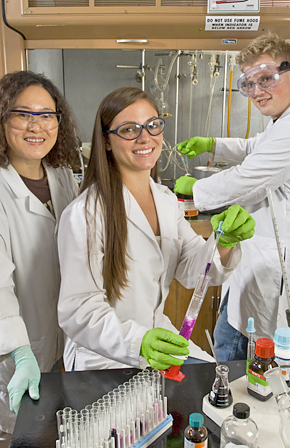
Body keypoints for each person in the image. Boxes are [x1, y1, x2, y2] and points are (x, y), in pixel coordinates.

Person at [57, 86, 255, 372]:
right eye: (128, 129)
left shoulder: (165, 200)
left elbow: (193, 271)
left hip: (159, 337)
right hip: (103, 356)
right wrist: (139, 342)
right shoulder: (85, 214)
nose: (145, 137)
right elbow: (79, 311)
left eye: (152, 125)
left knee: (215, 386)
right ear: (107, 141)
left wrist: (223, 243)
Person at [175, 32, 290, 361]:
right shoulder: (288, 120)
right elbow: (256, 147)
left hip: (279, 275)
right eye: (249, 84)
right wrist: (213, 144)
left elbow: (247, 180)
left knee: (255, 370)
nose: (257, 92)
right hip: (260, 263)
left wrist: (196, 189)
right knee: (232, 344)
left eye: (266, 79)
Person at [0, 70, 81, 448]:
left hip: (64, 332)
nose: (37, 126)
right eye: (23, 114)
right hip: (19, 342)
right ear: (0, 119)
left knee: (53, 433)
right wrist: (21, 351)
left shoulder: (62, 176)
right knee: (13, 435)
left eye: (47, 115)